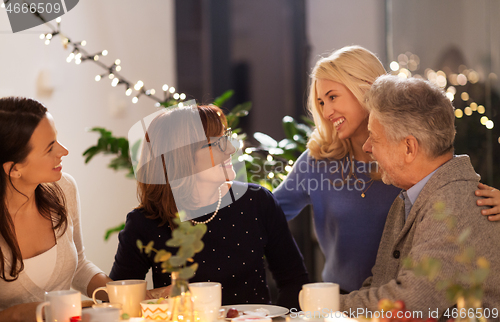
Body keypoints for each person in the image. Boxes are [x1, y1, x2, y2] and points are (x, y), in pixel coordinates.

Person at [273, 45, 500, 293]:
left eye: (333, 97)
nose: (326, 111)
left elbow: (458, 197)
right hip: (343, 303)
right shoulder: (317, 162)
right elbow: (266, 216)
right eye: (320, 102)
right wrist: (293, 282)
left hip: (403, 300)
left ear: (365, 89)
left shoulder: (412, 157)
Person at [109, 104, 309, 309]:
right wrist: (160, 294)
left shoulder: (257, 202)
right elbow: (119, 300)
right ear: (180, 157)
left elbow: (294, 282)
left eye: (226, 138)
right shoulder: (145, 221)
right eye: (216, 144)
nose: (231, 149)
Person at [340, 75, 500, 319]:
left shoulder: (453, 205)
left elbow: (412, 302)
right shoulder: (409, 198)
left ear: (409, 148)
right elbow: (381, 283)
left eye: (375, 136)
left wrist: (324, 307)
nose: (367, 147)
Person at [0, 97, 112, 322]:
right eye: (50, 148)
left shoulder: (63, 189)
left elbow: (78, 265)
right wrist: (20, 313)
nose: (64, 151)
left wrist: (122, 293)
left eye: (56, 140)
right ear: (14, 169)